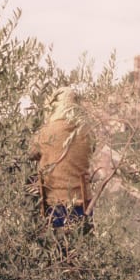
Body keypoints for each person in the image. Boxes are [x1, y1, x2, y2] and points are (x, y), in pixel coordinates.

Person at [29, 86, 92, 228]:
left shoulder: (46, 132)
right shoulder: (86, 132)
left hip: (55, 205)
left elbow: (31, 153)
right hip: (83, 205)